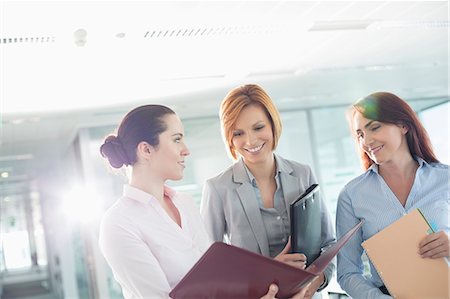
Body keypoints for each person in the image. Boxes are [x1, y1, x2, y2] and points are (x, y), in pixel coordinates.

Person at [98, 104, 305, 299]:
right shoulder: (119, 223)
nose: (186, 150)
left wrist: (267, 273)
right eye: (177, 139)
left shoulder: (184, 204)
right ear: (146, 150)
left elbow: (217, 282)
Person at [201, 84, 336, 299]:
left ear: (273, 124)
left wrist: (315, 283)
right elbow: (211, 269)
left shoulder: (303, 174)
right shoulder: (218, 189)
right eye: (238, 133)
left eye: (258, 127)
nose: (250, 141)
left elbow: (328, 242)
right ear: (229, 137)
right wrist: (270, 271)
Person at [336, 92, 450, 299]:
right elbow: (347, 272)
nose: (366, 141)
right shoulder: (352, 196)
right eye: (360, 134)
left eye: (374, 127)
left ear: (403, 125)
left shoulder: (446, 179)